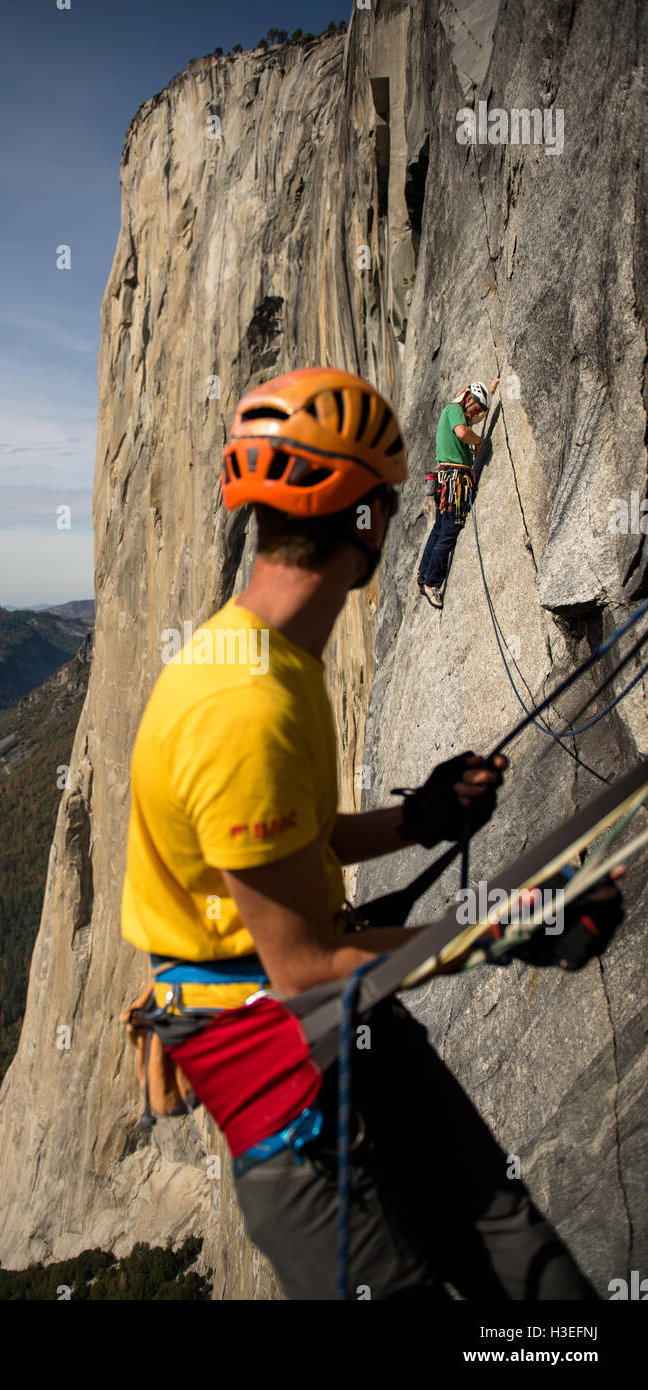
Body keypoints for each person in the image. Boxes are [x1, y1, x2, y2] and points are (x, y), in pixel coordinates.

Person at [120, 366, 622, 1300]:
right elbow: (302, 963)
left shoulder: (266, 657)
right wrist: (507, 927)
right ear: (366, 520)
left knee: (528, 1263)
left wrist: (417, 820)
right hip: (289, 1102)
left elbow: (294, 849)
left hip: (342, 1028)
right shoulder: (242, 705)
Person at [418, 378, 499, 608]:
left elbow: (474, 419)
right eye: (476, 406)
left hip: (446, 479)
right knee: (450, 531)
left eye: (481, 410)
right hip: (455, 481)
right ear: (467, 398)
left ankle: (424, 572)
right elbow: (464, 433)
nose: (478, 413)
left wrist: (492, 389)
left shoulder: (459, 412)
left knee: (440, 528)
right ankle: (432, 583)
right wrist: (479, 443)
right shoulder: (454, 410)